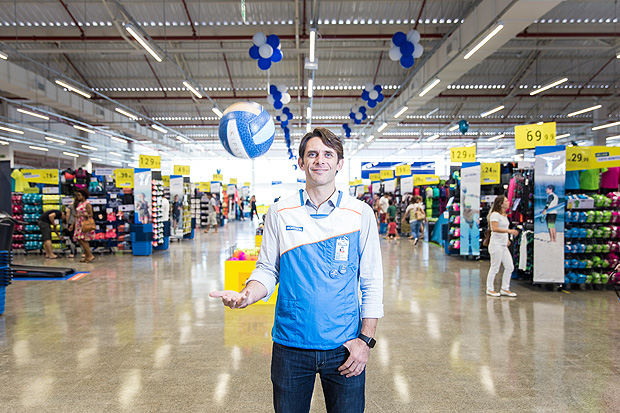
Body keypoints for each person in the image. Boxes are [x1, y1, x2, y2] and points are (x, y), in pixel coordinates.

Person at [210, 127, 384, 412]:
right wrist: (246, 295)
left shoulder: (360, 213)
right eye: (312, 154)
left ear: (339, 164)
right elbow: (268, 268)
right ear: (301, 162)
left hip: (345, 346)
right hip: (291, 346)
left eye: (328, 154)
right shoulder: (280, 211)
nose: (320, 160)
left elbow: (372, 281)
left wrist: (365, 340)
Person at [486, 195, 519, 297]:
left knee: (509, 267)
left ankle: (505, 288)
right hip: (496, 245)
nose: (508, 202)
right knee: (495, 267)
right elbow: (494, 228)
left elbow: (502, 228)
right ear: (500, 204)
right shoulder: (495, 215)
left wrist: (507, 239)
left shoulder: (504, 215)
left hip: (503, 245)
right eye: (506, 201)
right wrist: (509, 231)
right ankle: (490, 289)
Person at [73, 188, 95, 263]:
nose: (78, 197)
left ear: (84, 196)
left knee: (83, 239)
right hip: (79, 224)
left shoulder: (87, 204)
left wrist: (82, 215)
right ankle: (86, 256)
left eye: (79, 195)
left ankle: (89, 255)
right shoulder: (80, 203)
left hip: (84, 224)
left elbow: (91, 214)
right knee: (79, 239)